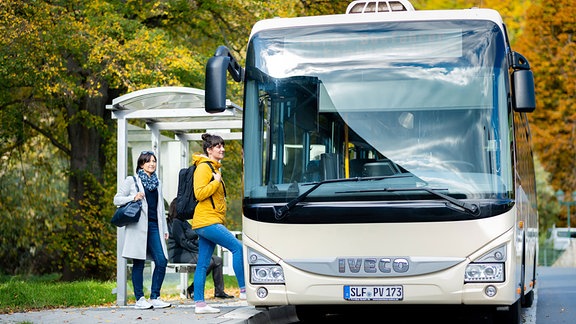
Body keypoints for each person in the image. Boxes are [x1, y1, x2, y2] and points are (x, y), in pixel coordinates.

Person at [191, 133, 246, 314]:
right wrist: (215, 182)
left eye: (222, 146)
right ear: (209, 150)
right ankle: (245, 291)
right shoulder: (204, 168)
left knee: (203, 262)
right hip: (207, 220)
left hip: (209, 220)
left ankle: (200, 304)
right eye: (218, 146)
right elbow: (199, 193)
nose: (222, 149)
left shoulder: (214, 168)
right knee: (238, 247)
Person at [113, 150, 171, 310]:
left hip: (154, 227)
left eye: (153, 161)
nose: (151, 164)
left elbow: (160, 209)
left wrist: (165, 228)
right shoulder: (132, 181)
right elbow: (116, 199)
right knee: (138, 262)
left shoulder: (158, 183)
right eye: (148, 161)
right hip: (138, 227)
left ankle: (155, 296)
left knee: (162, 260)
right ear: (141, 164)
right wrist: (133, 197)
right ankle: (139, 299)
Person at [166, 198, 234, 299]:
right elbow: (183, 242)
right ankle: (193, 289)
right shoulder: (176, 223)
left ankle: (219, 291)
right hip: (179, 254)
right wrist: (200, 250)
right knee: (208, 261)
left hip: (189, 252)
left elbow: (193, 238)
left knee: (218, 260)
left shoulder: (184, 222)